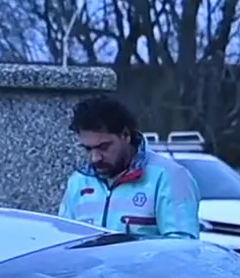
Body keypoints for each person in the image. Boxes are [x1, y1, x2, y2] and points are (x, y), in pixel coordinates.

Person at [57, 96, 200, 239]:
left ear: (125, 135)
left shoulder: (169, 177)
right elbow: (63, 242)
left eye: (104, 147)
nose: (95, 158)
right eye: (88, 149)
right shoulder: (78, 182)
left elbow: (182, 249)